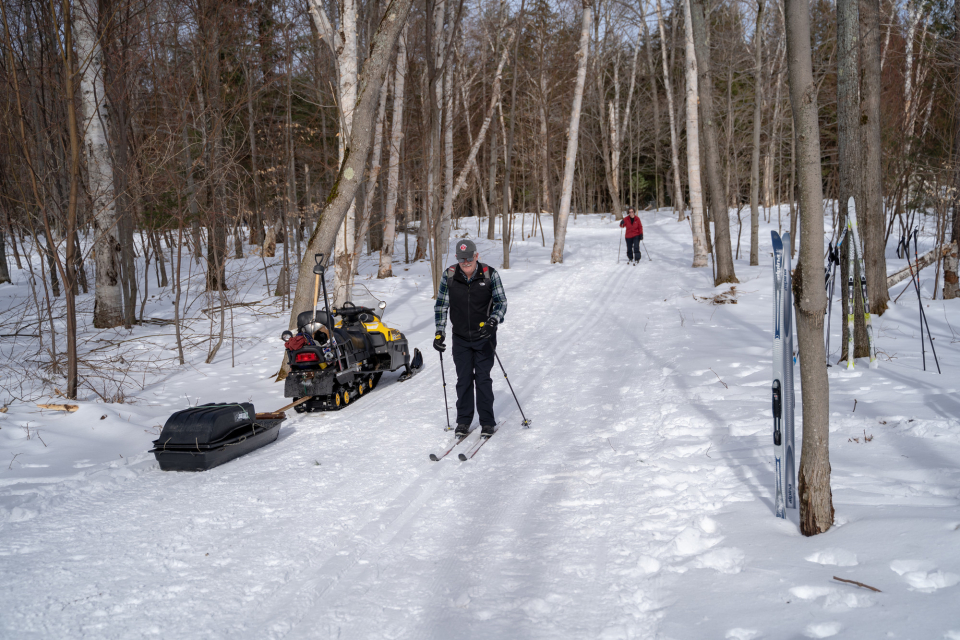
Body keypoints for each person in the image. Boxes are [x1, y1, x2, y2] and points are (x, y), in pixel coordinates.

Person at [433, 239, 507, 437]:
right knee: (463, 380)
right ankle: (463, 421)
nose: (465, 262)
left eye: (468, 258)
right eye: (460, 258)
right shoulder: (449, 275)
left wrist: (493, 322)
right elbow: (441, 305)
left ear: (476, 256)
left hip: (485, 337)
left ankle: (487, 422)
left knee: (483, 379)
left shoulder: (490, 274)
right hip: (460, 338)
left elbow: (501, 303)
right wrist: (440, 332)